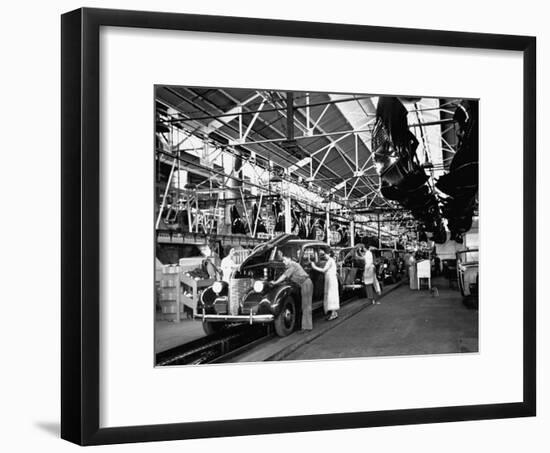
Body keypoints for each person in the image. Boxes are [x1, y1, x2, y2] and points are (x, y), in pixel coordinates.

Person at [271, 254, 313, 331]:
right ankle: (306, 326)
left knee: (306, 306)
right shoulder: (291, 265)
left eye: (284, 260)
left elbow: (284, 276)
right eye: (283, 260)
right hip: (305, 284)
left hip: (306, 284)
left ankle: (307, 327)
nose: (283, 262)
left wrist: (275, 282)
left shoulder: (292, 265)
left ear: (289, 258)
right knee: (305, 306)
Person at [312, 249, 340, 320]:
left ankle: (333, 313)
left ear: (329, 254)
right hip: (332, 279)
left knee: (331, 295)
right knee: (332, 295)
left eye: (325, 254)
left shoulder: (330, 261)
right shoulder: (331, 261)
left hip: (331, 280)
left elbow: (324, 270)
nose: (324, 256)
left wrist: (314, 267)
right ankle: (334, 312)